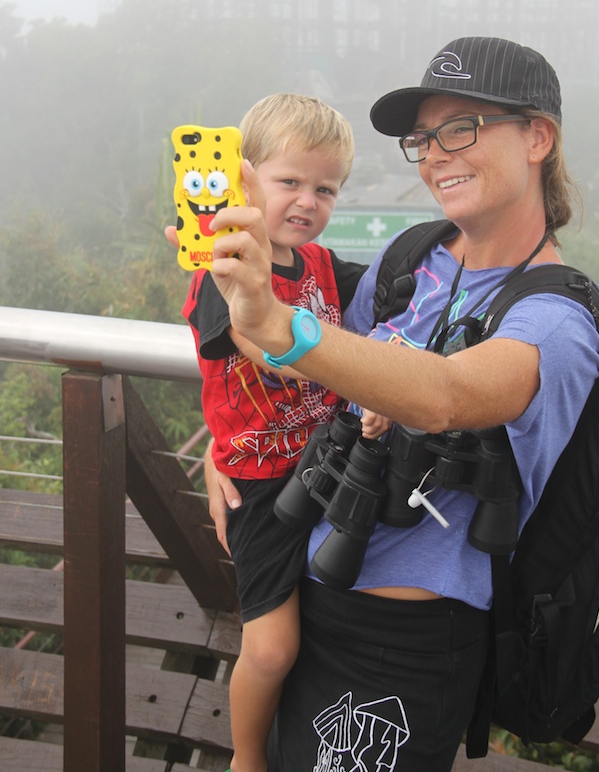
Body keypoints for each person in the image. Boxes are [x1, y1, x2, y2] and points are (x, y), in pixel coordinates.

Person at [205, 37, 599, 772]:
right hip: (310, 589)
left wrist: (270, 322)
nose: (434, 156)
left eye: (462, 129)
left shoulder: (556, 316)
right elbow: (327, 371)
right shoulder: (407, 262)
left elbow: (446, 397)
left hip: (403, 645)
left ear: (537, 136)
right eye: (424, 139)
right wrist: (220, 442)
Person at [177, 93, 387, 772]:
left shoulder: (322, 267)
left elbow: (399, 291)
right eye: (288, 181)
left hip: (327, 470)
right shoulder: (228, 265)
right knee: (270, 648)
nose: (307, 201)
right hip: (262, 489)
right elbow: (260, 344)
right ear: (244, 180)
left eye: (325, 188)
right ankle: (245, 758)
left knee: (332, 623)